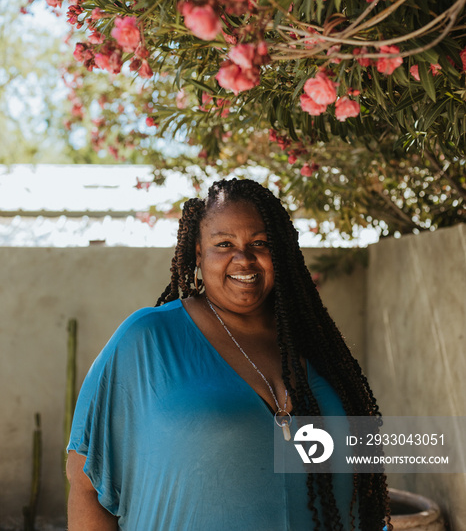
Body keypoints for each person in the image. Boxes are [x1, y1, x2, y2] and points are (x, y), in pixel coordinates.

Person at [66, 178, 390, 530]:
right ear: (198, 253)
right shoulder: (148, 339)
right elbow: (86, 483)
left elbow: (363, 483)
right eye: (224, 244)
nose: (244, 258)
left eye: (260, 243)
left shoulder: (317, 346)